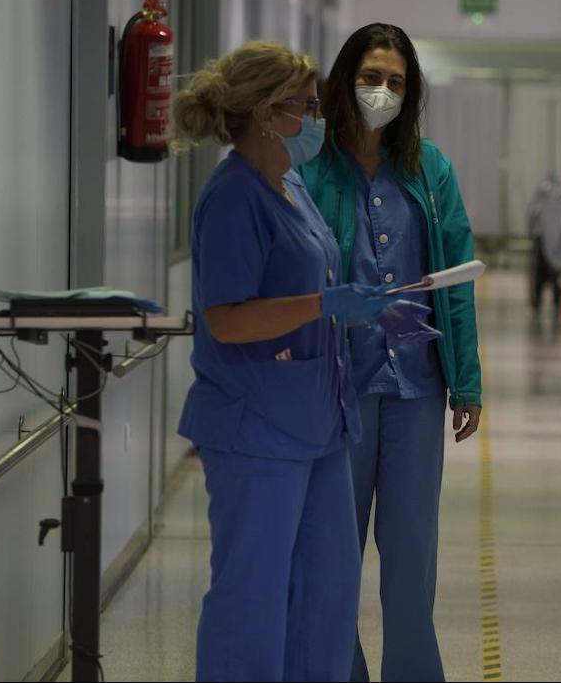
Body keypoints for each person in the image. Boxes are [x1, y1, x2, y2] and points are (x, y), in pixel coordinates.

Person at [172, 40, 400, 682]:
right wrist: (325, 303)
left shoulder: (290, 184)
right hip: (256, 429)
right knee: (253, 596)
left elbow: (314, 284)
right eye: (309, 106)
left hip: (318, 424)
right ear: (269, 113)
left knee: (327, 595)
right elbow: (226, 317)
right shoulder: (234, 198)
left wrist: (363, 306)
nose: (320, 118)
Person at [298, 23, 482, 682]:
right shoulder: (311, 173)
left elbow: (456, 278)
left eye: (396, 82)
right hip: (335, 391)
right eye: (371, 77)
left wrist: (467, 383)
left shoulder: (429, 172)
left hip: (416, 388)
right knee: (332, 553)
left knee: (410, 556)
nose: (381, 91)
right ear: (343, 82)